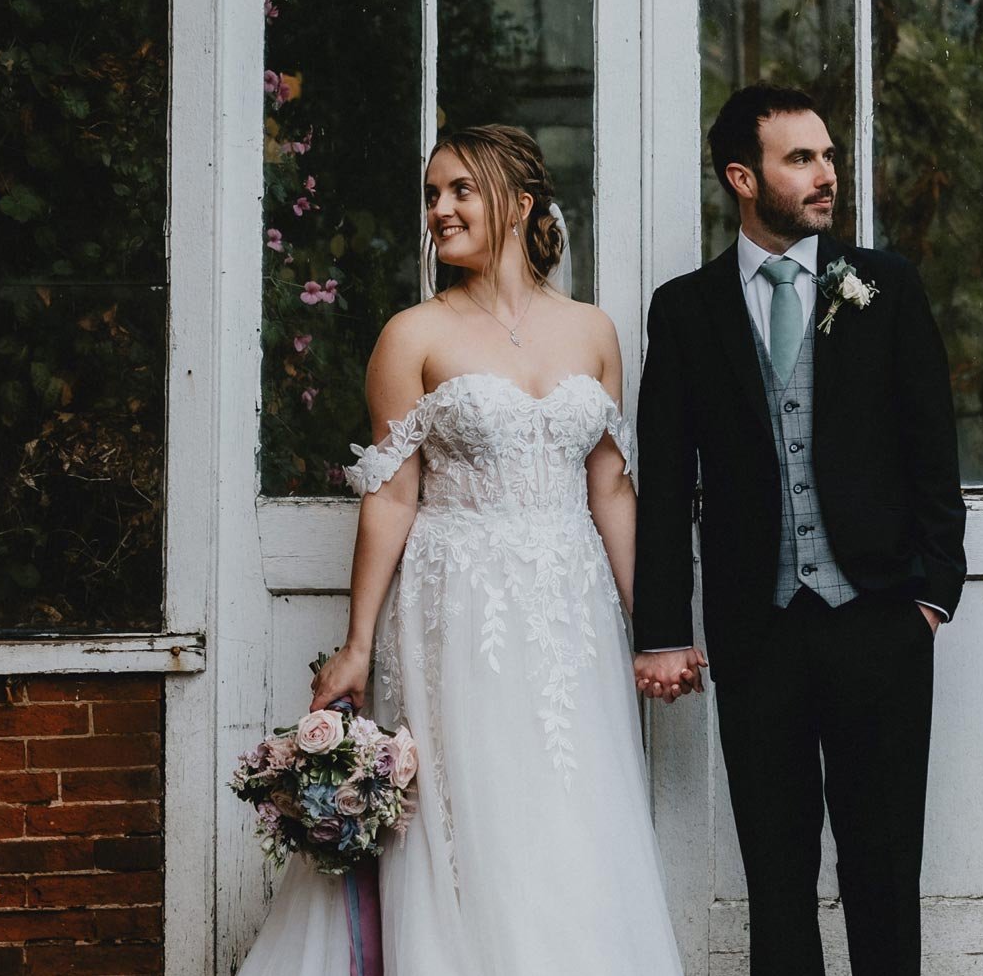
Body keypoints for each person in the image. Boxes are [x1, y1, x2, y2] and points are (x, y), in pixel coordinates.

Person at [240, 125, 684, 976]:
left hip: (571, 610)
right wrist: (358, 643)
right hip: (458, 602)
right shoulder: (412, 335)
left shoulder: (594, 332)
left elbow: (612, 490)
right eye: (432, 196)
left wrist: (654, 624)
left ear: (519, 204)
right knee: (475, 812)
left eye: (459, 192)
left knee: (573, 804)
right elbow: (393, 493)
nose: (438, 211)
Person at [631, 83, 968, 975]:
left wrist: (932, 594)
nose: (826, 174)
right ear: (744, 177)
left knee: (883, 865)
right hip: (759, 630)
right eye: (801, 158)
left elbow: (934, 451)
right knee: (776, 874)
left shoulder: (884, 287)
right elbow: (666, 483)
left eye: (827, 155)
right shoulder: (686, 310)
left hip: (880, 618)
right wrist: (664, 629)